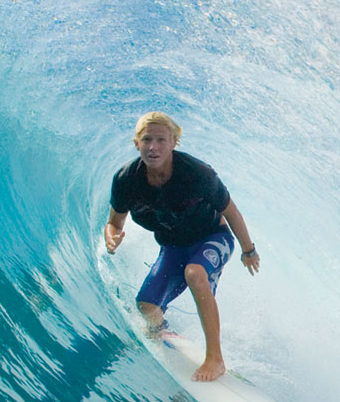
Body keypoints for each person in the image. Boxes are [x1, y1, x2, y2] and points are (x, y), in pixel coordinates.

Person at [103, 111, 260, 382]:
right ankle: (162, 331)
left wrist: (248, 251)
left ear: (174, 142)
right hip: (173, 247)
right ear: (136, 143)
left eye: (161, 140)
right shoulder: (126, 179)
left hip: (213, 238)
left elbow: (231, 211)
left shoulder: (197, 173)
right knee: (147, 306)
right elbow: (114, 222)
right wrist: (112, 235)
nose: (154, 147)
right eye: (147, 140)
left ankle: (216, 359)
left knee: (195, 273)